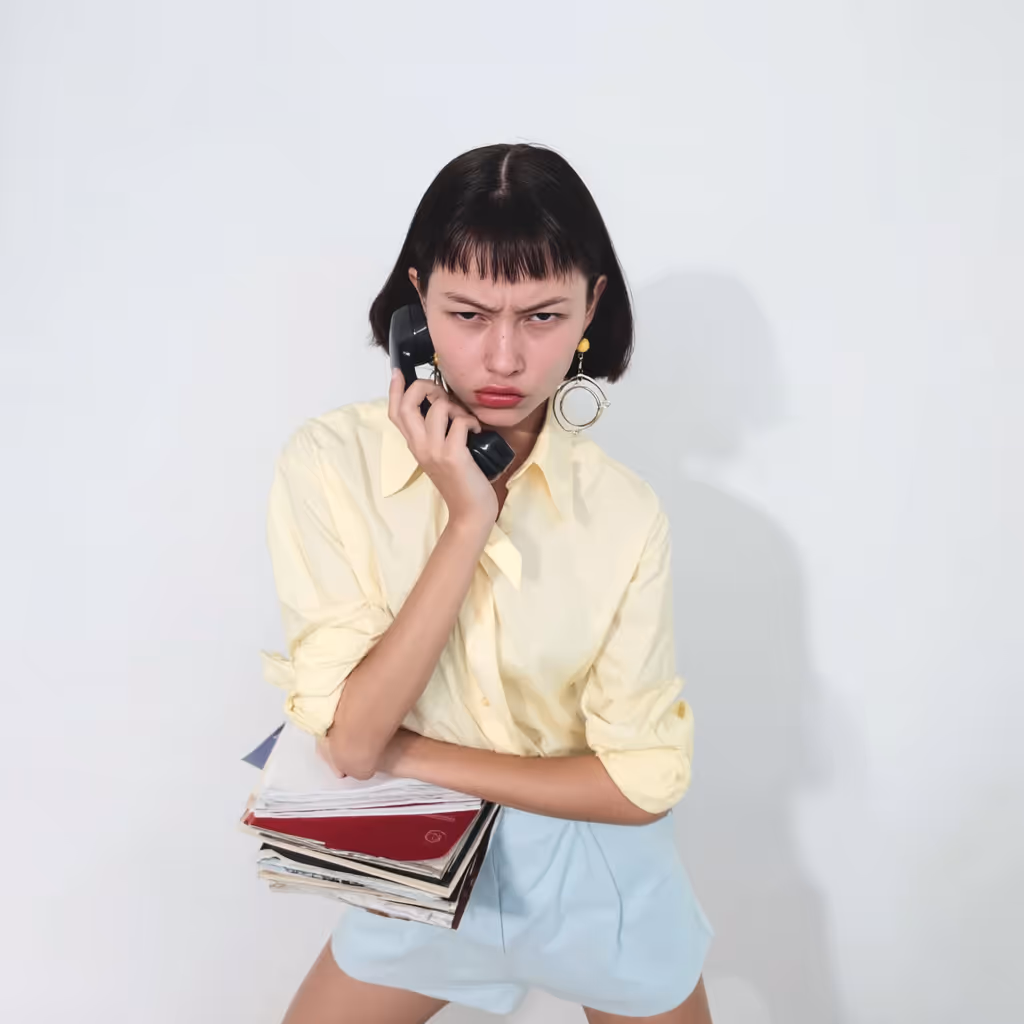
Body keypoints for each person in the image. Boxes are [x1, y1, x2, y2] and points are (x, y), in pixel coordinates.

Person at [260, 142, 715, 1023]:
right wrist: (467, 518)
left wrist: (411, 756)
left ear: (593, 305)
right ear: (417, 306)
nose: (503, 359)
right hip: (418, 860)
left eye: (543, 317)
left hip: (598, 880)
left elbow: (639, 785)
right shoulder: (329, 465)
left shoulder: (624, 515)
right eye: (468, 314)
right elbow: (353, 743)